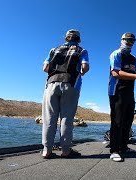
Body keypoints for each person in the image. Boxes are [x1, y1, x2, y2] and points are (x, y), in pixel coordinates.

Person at [41, 29, 90, 159]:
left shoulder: (53, 50)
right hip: (71, 84)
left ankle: (47, 150)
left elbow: (45, 68)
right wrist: (80, 73)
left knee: (49, 118)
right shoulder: (82, 51)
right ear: (78, 39)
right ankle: (66, 150)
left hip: (51, 84)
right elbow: (85, 67)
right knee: (66, 119)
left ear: (65, 38)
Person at [108, 32, 136, 162]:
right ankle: (114, 150)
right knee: (117, 120)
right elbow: (115, 73)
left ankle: (124, 147)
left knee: (128, 119)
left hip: (129, 92)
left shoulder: (133, 58)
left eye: (132, 41)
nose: (130, 42)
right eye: (127, 40)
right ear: (122, 40)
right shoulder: (116, 54)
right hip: (116, 91)